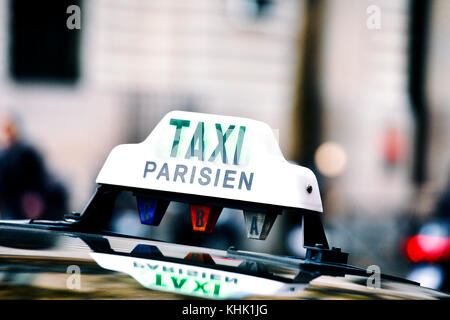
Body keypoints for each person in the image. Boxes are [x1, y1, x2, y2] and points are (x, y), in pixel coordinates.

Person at [0, 113, 67, 220]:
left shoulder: (27, 152)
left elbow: (38, 178)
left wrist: (33, 202)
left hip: (25, 203)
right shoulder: (4, 154)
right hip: (11, 204)